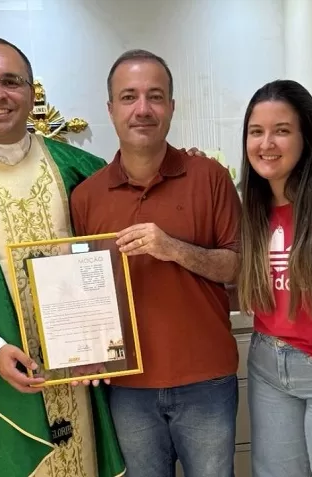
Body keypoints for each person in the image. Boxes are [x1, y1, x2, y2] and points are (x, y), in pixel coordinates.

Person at [0, 37, 203, 477]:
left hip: (78, 377)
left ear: (31, 93)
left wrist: (189, 165)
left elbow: (140, 193)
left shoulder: (74, 166)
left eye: (11, 82)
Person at [70, 49, 242, 477]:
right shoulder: (86, 196)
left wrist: (173, 248)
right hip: (128, 388)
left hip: (206, 379)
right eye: (129, 97)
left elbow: (236, 267)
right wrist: (80, 353)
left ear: (171, 106)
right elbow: (80, 292)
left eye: (155, 96)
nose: (142, 109)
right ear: (111, 110)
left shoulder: (210, 177)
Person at [237, 79, 312, 477]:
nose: (266, 143)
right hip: (269, 364)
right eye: (257, 132)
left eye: (282, 131)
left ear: (306, 137)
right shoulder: (250, 204)